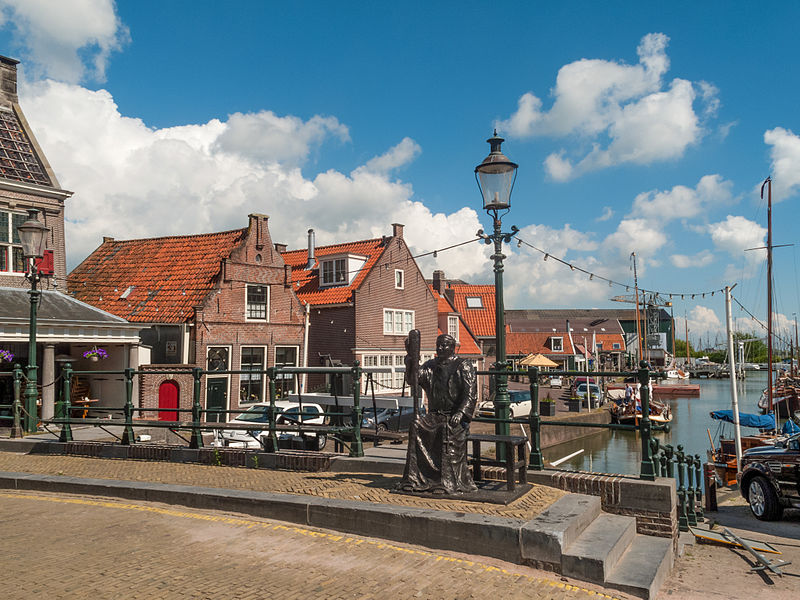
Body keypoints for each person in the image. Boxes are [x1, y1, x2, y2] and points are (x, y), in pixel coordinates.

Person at [397, 333, 477, 494]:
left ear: (452, 348)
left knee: (443, 430)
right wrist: (411, 359)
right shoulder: (430, 366)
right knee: (416, 426)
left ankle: (444, 481)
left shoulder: (463, 365)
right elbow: (413, 379)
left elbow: (470, 394)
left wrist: (461, 413)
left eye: (444, 345)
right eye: (438, 345)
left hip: (453, 416)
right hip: (433, 415)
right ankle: (414, 478)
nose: (439, 348)